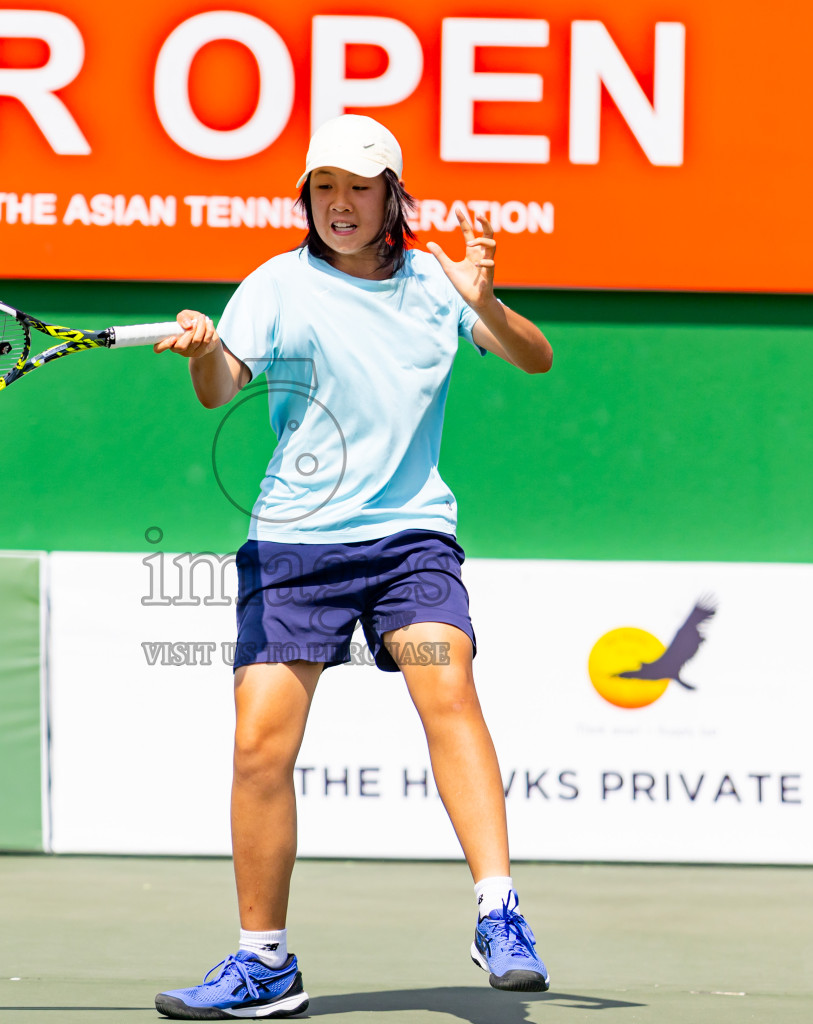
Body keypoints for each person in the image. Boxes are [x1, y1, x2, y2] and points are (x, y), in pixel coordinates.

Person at [151, 114, 554, 1020]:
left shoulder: (438, 284)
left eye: (360, 187)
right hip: (295, 546)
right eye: (325, 186)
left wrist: (483, 300)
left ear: (391, 200)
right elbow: (220, 387)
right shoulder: (276, 285)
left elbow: (535, 358)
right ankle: (264, 965)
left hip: (410, 538)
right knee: (260, 747)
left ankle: (501, 915)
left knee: (445, 689)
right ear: (309, 196)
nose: (341, 203)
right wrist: (205, 348)